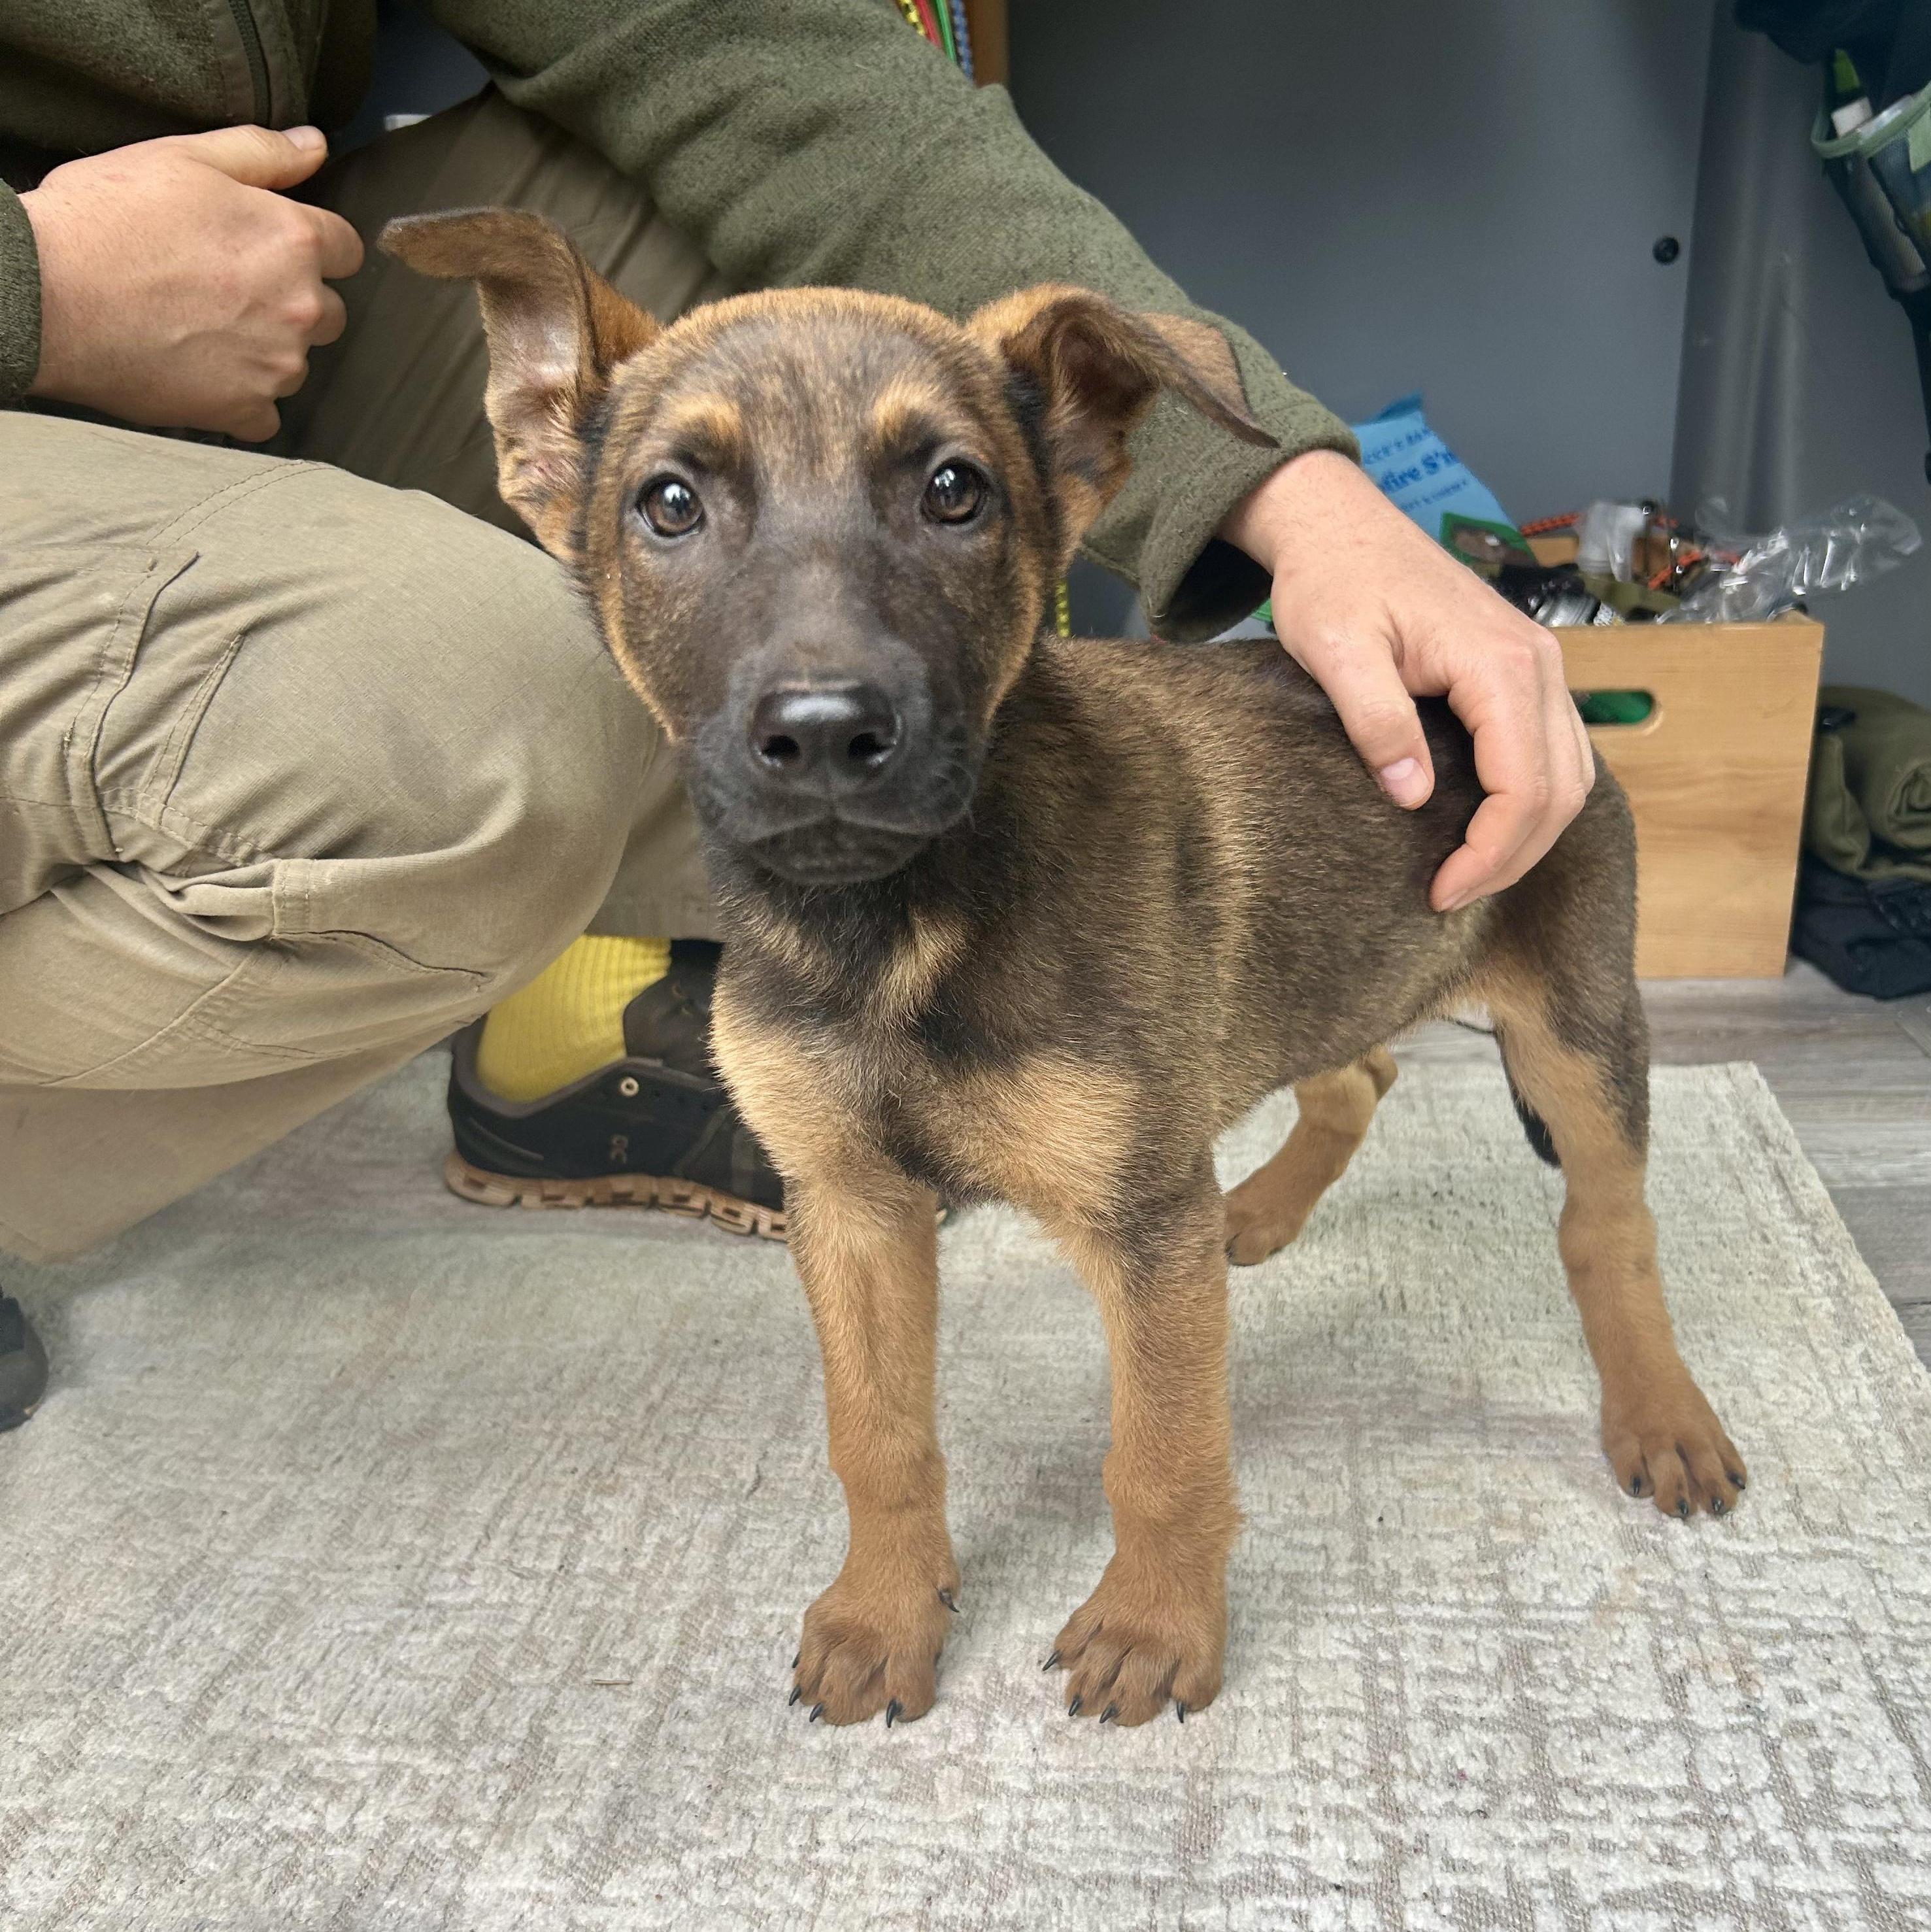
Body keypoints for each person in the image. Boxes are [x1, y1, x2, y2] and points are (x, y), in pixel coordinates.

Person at [0, 0, 1592, 1425]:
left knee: (794, 320)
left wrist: (1295, 499)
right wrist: (38, 288)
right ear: (547, 438)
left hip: (237, 266)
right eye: (674, 503)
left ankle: (587, 1020)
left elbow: (728, 38)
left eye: (961, 493)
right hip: (56, 294)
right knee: (490, 730)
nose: (825, 687)